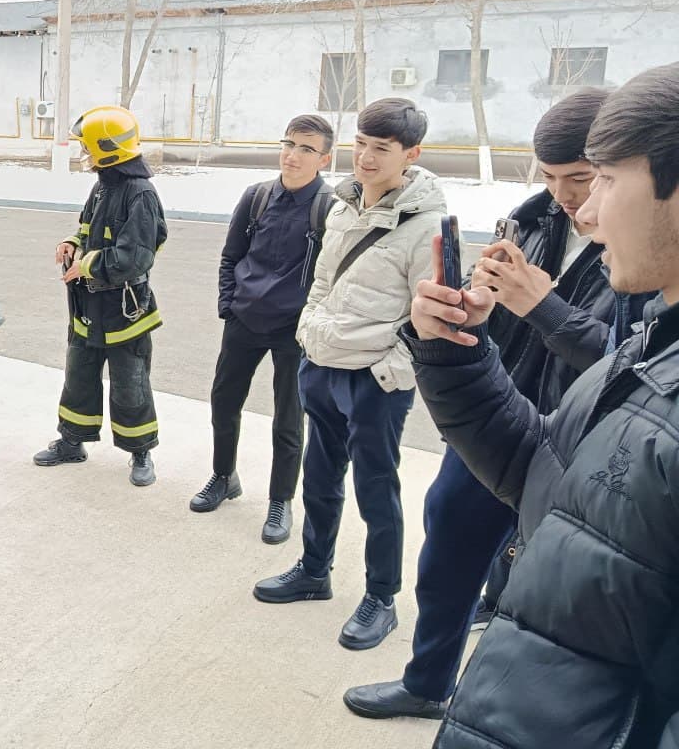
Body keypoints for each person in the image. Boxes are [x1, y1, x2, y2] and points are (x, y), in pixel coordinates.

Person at [342, 87, 653, 719]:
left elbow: (636, 366)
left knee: (543, 584)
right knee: (448, 538)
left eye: (585, 179)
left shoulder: (645, 242)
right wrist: (472, 310)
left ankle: (498, 684)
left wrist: (544, 307)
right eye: (551, 178)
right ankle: (428, 683)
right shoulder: (532, 219)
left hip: (580, 439)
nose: (570, 198)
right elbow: (507, 316)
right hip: (500, 415)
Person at [253, 98, 445, 652]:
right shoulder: (343, 205)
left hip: (374, 381)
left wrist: (388, 371)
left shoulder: (427, 227)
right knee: (318, 477)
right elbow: (323, 279)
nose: (365, 157)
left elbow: (430, 319)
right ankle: (314, 570)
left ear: (411, 154)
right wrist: (309, 334)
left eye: (381, 148)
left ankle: (381, 598)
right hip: (322, 365)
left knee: (376, 489)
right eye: (360, 144)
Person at [190, 114, 335, 545]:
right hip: (244, 321)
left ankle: (280, 500)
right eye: (288, 144)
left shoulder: (329, 209)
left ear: (324, 159)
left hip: (294, 331)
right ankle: (223, 477)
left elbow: (334, 277)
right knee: (223, 403)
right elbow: (230, 256)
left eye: (306, 148)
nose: (293, 155)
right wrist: (228, 306)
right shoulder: (256, 197)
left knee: (288, 419)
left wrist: (311, 324)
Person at [32, 105, 169, 486]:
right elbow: (88, 228)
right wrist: (71, 242)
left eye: (88, 148)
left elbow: (135, 257)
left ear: (108, 150)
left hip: (125, 311)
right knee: (78, 379)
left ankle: (141, 452)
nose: (84, 154)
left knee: (131, 386)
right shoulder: (103, 185)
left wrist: (87, 265)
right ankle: (71, 442)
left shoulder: (141, 194)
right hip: (89, 309)